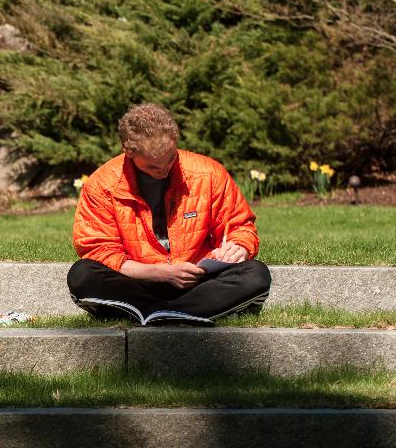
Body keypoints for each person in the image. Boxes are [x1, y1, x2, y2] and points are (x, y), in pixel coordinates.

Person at [67, 103, 271, 325]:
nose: (164, 170)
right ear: (129, 152)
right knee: (82, 275)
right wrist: (160, 273)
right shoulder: (101, 184)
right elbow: (99, 250)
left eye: (171, 159)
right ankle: (181, 312)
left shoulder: (209, 173)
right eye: (153, 166)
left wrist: (239, 247)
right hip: (138, 281)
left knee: (256, 273)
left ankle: (155, 313)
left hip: (198, 280)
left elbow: (240, 226)